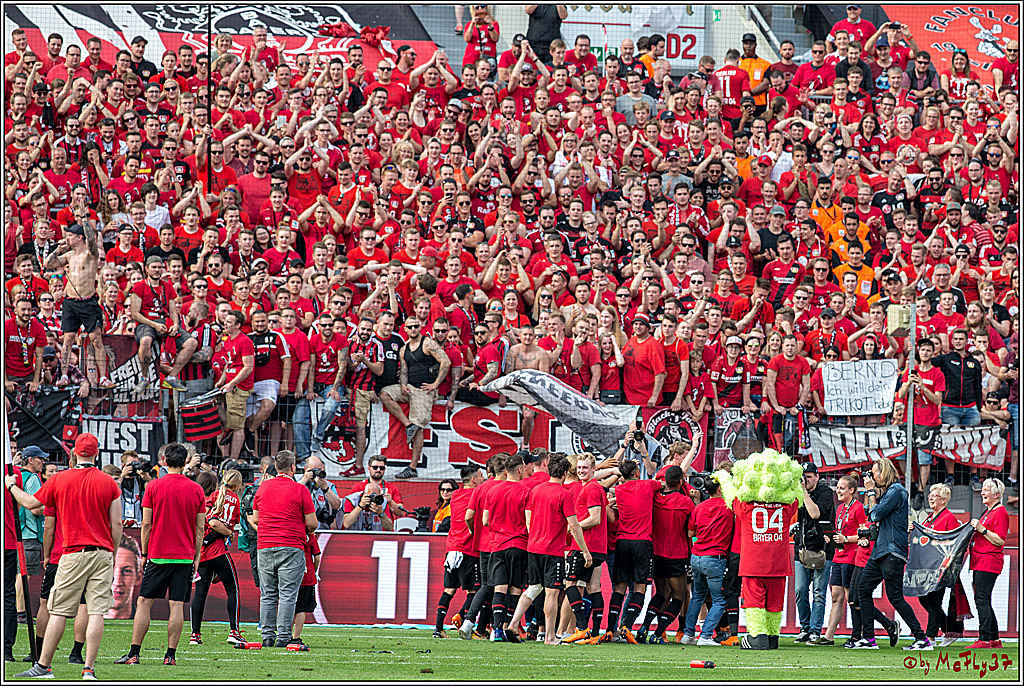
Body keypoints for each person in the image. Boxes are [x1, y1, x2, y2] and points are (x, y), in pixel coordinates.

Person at [8, 433, 122, 680]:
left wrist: (11, 485)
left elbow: (31, 504)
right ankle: (88, 669)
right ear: (96, 454)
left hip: (72, 553)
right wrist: (110, 551)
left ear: (74, 454)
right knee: (95, 612)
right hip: (102, 553)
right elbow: (117, 525)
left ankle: (43, 666)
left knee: (58, 610)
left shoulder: (61, 479)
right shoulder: (109, 483)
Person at [114, 442, 205, 666]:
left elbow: (146, 523)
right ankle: (170, 656)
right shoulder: (196, 489)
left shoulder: (153, 487)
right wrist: (196, 557)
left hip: (157, 554)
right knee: (177, 605)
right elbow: (200, 528)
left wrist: (145, 552)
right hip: (183, 556)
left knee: (144, 602)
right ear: (185, 461)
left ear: (163, 461)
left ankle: (134, 653)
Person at [853, 457, 932, 650]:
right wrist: (869, 492)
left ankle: (922, 638)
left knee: (895, 597)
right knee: (862, 591)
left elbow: (875, 515)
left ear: (886, 472)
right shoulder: (889, 492)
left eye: (875, 472)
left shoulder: (896, 491)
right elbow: (868, 511)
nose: (872, 475)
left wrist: (871, 491)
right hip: (882, 551)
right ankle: (869, 638)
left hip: (892, 551)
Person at [252, 450, 317, 648]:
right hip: (291, 546)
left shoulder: (262, 488)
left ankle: (267, 636)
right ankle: (283, 637)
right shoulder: (300, 489)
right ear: (292, 467)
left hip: (265, 546)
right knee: (288, 594)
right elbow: (312, 523)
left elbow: (255, 518)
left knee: (268, 593)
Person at [43, 222, 113, 389]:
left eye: (70, 236)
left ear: (79, 237)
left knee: (96, 339)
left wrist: (84, 219)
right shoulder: (69, 255)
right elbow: (47, 263)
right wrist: (59, 248)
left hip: (88, 302)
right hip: (70, 301)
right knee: (67, 339)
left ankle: (103, 377)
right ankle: (65, 375)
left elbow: (91, 242)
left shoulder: (91, 254)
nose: (67, 238)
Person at [383, 316, 452, 479]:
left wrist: (435, 384)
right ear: (405, 329)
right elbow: (404, 370)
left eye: (416, 326)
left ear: (420, 327)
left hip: (424, 389)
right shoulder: (404, 348)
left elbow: (446, 362)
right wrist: (402, 385)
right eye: (410, 327)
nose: (413, 329)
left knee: (418, 425)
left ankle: (412, 467)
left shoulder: (427, 343)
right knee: (385, 393)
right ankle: (407, 425)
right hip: (410, 388)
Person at [189, 469, 245, 647]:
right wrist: (228, 532)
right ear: (237, 484)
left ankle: (195, 635)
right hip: (219, 550)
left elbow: (204, 518)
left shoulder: (213, 496)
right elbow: (215, 522)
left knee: (200, 593)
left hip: (204, 551)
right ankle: (234, 631)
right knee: (232, 589)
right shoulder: (235, 500)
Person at [682, 471, 732, 646]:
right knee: (719, 599)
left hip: (697, 556)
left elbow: (690, 533)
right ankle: (705, 635)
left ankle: (688, 634)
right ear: (720, 488)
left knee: (697, 596)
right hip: (715, 558)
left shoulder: (699, 508)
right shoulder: (728, 507)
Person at [434, 467, 483, 638]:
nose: (483, 478)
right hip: (468, 550)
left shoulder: (455, 496)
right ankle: (462, 617)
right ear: (474, 480)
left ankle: (438, 628)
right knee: (474, 591)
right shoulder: (476, 495)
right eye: (481, 475)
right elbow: (470, 517)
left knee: (449, 589)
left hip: (452, 549)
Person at [915, 483, 966, 647]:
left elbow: (954, 542)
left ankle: (930, 637)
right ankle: (948, 628)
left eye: (934, 495)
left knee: (934, 601)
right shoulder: (930, 517)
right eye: (929, 494)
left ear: (944, 500)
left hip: (940, 567)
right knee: (924, 599)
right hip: (928, 566)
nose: (930, 497)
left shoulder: (948, 518)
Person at [821, 474, 868, 646]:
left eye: (842, 488)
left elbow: (866, 534)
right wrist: (831, 538)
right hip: (838, 556)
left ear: (852, 490)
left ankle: (862, 634)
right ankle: (828, 636)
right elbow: (839, 532)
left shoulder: (859, 508)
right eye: (837, 487)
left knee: (851, 597)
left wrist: (846, 539)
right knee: (836, 596)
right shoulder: (839, 508)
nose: (838, 491)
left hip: (852, 557)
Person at [793, 462, 835, 645]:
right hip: (801, 547)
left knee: (819, 592)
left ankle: (815, 630)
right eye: (804, 476)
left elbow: (815, 513)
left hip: (822, 550)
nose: (806, 479)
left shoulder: (825, 492)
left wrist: (803, 493)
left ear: (817, 476)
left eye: (809, 476)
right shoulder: (797, 492)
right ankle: (804, 627)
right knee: (800, 590)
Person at [966, 478, 1009, 650]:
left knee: (981, 599)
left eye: (986, 490)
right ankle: (994, 638)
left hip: (988, 561)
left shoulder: (1000, 512)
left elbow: (999, 540)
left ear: (996, 494)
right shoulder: (990, 511)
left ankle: (984, 638)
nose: (982, 492)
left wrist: (982, 529)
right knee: (984, 599)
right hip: (982, 560)